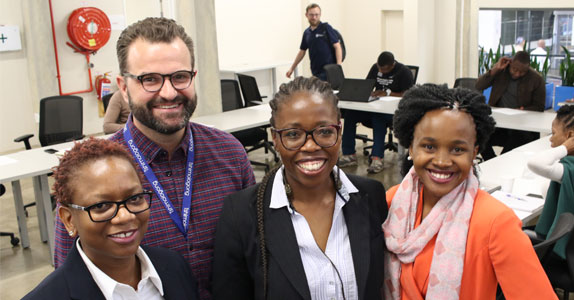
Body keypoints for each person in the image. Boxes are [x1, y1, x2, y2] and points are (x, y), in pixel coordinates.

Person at [53, 17, 256, 299]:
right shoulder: (91, 175)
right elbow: (71, 281)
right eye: (150, 79)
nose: (169, 92)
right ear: (123, 87)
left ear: (193, 77)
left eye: (180, 77)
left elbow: (256, 253)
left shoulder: (229, 153)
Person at [212, 77, 388, 300]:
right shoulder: (241, 214)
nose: (311, 145)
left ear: (340, 131)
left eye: (324, 131)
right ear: (275, 138)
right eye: (293, 135)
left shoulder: (370, 196)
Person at [383, 84, 556, 299]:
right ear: (410, 147)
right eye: (429, 146)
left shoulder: (495, 222)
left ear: (474, 152)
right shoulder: (391, 202)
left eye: (458, 149)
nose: (442, 161)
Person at [24, 138, 198, 299]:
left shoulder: (174, 266)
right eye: (101, 206)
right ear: (69, 220)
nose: (125, 216)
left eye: (135, 198)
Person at [527, 105, 574, 259]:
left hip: (565, 251)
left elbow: (535, 163)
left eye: (553, 133)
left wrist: (565, 148)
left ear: (571, 135)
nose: (550, 139)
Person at [338, 51, 414, 173]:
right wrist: (367, 93)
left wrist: (388, 93)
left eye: (384, 69)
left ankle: (377, 158)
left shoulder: (404, 72)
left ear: (392, 65)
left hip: (391, 112)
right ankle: (349, 155)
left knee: (378, 118)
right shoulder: (375, 67)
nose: (380, 71)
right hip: (375, 106)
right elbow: (367, 84)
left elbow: (408, 94)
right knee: (351, 114)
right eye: (379, 68)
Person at [475, 51, 546, 160]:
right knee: (479, 133)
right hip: (499, 123)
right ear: (510, 63)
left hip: (521, 126)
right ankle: (492, 161)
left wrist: (524, 109)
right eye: (515, 69)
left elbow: (540, 106)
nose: (517, 74)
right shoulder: (500, 71)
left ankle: (498, 162)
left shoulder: (536, 79)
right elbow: (479, 85)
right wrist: (495, 69)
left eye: (522, 72)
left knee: (519, 138)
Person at [286, 3, 342, 81]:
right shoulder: (307, 33)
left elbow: (337, 46)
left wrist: (338, 67)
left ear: (320, 15)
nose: (314, 17)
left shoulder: (326, 28)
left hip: (330, 71)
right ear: (306, 15)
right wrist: (292, 68)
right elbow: (302, 51)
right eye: (311, 15)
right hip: (316, 71)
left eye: (316, 15)